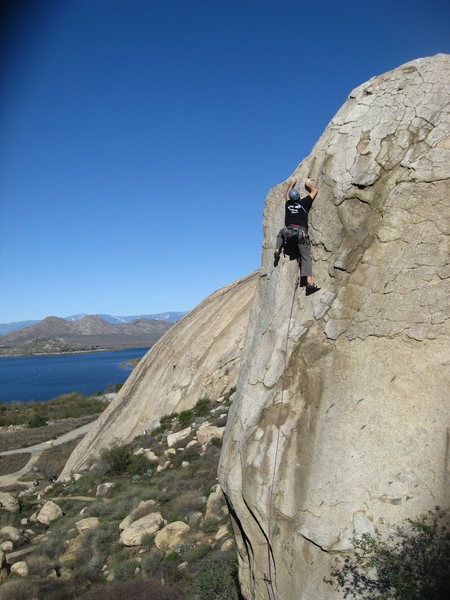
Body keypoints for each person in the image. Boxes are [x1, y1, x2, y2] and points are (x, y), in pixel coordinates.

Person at [274, 177, 320, 296]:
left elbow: (286, 196)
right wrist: (308, 184)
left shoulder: (288, 205)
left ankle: (277, 249)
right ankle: (309, 283)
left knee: (280, 233)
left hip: (288, 233)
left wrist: (291, 184)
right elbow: (315, 191)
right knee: (306, 258)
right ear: (299, 197)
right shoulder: (304, 203)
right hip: (301, 234)